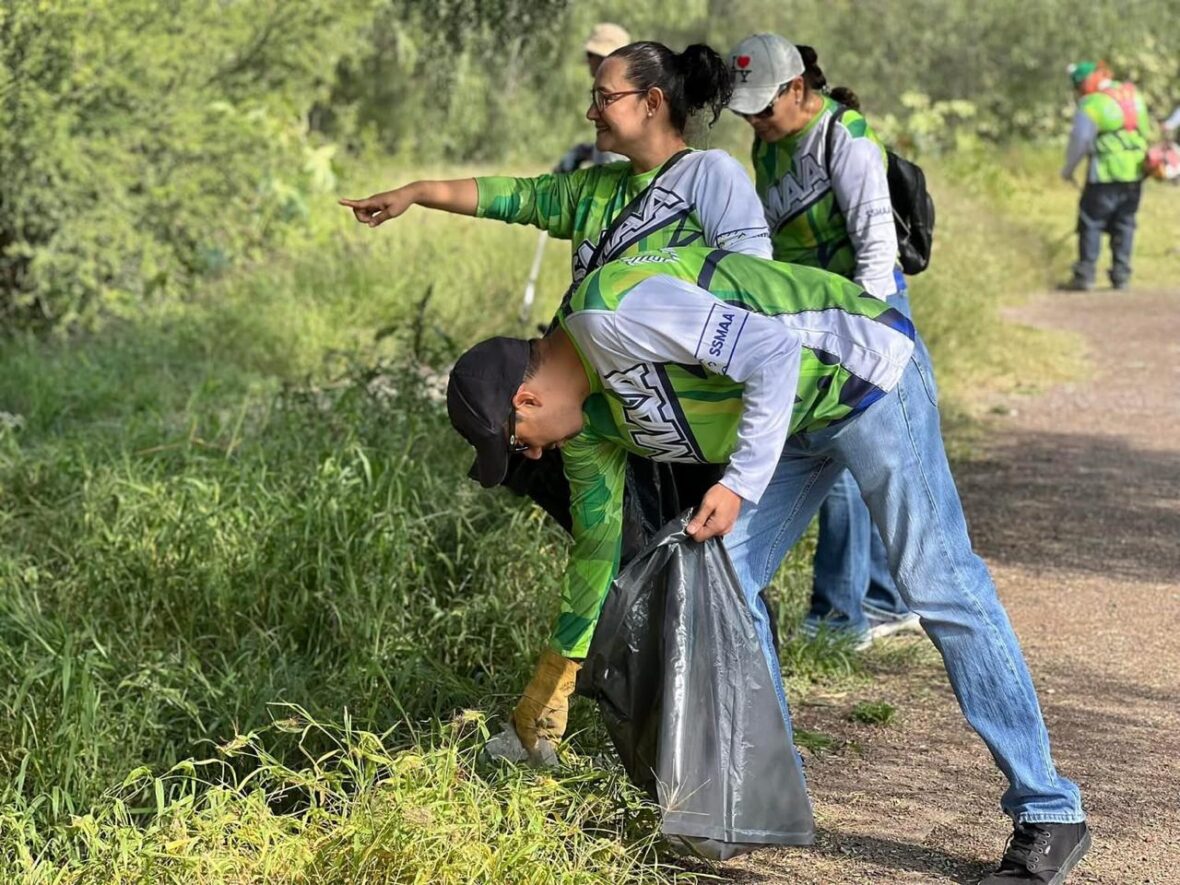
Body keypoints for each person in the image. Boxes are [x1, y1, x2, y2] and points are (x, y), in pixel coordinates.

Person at [447, 246, 1090, 885]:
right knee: (717, 574)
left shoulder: (614, 310)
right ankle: (769, 793)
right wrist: (555, 676)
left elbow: (774, 353)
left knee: (937, 581)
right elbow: (594, 551)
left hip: (863, 376)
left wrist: (739, 485)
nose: (529, 458)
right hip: (797, 426)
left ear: (526, 400)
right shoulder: (587, 429)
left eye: (514, 445)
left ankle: (1050, 810)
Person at [340, 40, 772, 557]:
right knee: (613, 551)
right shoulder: (594, 190)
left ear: (652, 102)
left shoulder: (709, 177)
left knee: (708, 567)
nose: (592, 111)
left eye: (605, 98)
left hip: (683, 414)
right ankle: (616, 628)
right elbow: (516, 197)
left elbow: (753, 291)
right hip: (610, 415)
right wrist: (417, 192)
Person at [726, 33, 920, 648]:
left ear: (797, 88)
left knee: (847, 460)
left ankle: (841, 615)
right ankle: (884, 600)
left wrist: (861, 338)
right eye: (747, 110)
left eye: (764, 106)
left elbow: (874, 245)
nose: (755, 119)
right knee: (853, 459)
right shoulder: (769, 141)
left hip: (862, 315)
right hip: (808, 315)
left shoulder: (846, 137)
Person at [1060, 61, 1152, 291]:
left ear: (1084, 84)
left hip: (1104, 173)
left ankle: (1085, 275)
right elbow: (1146, 131)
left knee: (1091, 221)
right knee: (1125, 223)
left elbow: (1080, 140)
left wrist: (1069, 169)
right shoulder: (1133, 96)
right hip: (1135, 172)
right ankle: (1121, 276)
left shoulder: (1093, 103)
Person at [553, 23, 632, 173]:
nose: (588, 60)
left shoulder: (616, 96)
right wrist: (583, 152)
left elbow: (615, 152)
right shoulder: (612, 91)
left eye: (591, 55)